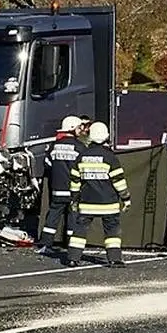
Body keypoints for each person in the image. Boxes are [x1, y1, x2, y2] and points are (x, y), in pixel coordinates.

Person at [67, 121, 130, 268]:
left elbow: (75, 181)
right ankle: (114, 259)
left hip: (86, 203)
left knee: (80, 231)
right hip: (109, 204)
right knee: (112, 231)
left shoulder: (82, 156)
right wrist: (126, 198)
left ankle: (73, 258)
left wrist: (75, 199)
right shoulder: (110, 157)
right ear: (106, 137)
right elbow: (119, 182)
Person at [36, 115, 87, 255]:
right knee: (73, 217)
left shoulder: (54, 146)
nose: (80, 130)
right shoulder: (80, 147)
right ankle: (70, 244)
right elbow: (83, 167)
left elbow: (47, 164)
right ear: (72, 128)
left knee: (52, 216)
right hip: (73, 189)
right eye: (78, 127)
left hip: (57, 189)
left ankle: (45, 243)